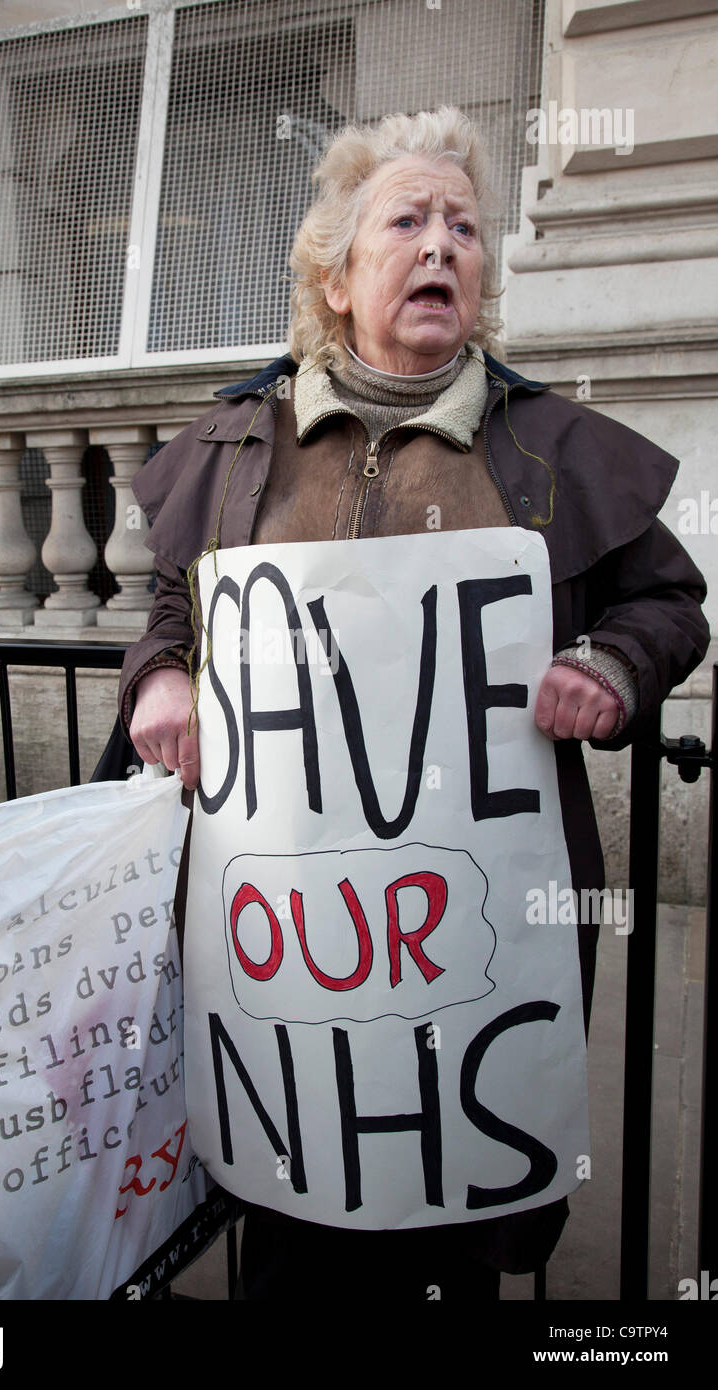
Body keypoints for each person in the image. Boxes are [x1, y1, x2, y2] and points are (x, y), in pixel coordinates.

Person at [116, 107, 709, 1299]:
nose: (442, 245)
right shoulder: (243, 447)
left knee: (446, 1225)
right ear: (337, 275)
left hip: (471, 942)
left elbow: (666, 604)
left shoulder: (547, 449)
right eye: (408, 220)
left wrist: (609, 665)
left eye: (465, 228)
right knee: (291, 1223)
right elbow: (175, 611)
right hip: (283, 955)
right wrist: (163, 675)